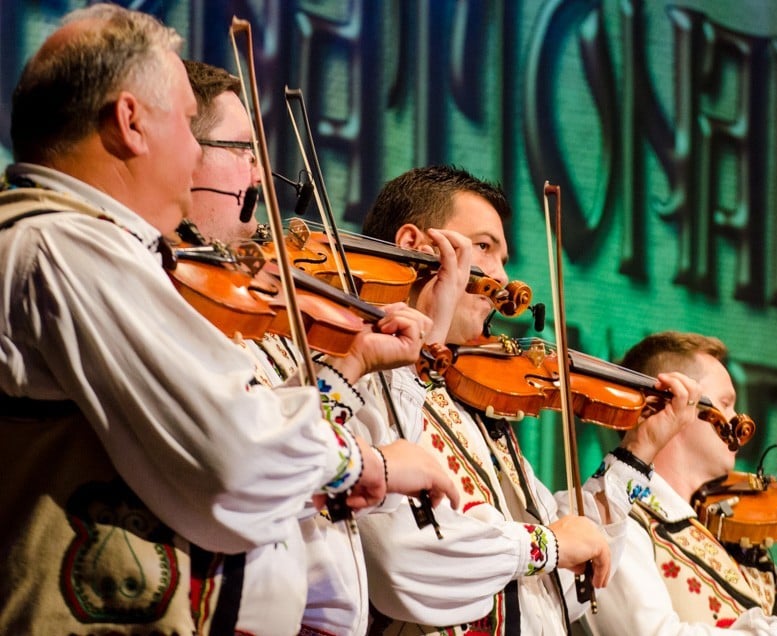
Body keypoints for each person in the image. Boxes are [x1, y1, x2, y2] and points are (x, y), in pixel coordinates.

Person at [0, 7, 456, 634]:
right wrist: (364, 462)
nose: (194, 154)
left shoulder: (79, 245)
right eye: (189, 124)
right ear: (130, 122)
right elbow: (236, 456)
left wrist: (349, 372)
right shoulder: (65, 245)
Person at [182, 59, 470, 635]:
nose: (262, 176)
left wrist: (385, 355)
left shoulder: (267, 319)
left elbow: (354, 455)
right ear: (177, 153)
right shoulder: (175, 299)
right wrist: (356, 381)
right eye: (243, 149)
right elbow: (256, 455)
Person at [354, 165, 679, 634]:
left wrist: (638, 453)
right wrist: (545, 544)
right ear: (415, 246)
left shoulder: (475, 411)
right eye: (484, 247)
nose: (503, 280)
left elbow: (561, 588)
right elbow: (403, 560)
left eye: (504, 258)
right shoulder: (361, 376)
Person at [580, 331, 777, 635]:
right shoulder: (613, 517)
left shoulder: (732, 535)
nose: (738, 419)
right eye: (725, 403)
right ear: (669, 403)